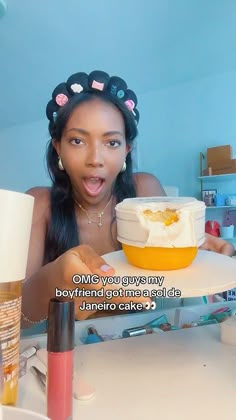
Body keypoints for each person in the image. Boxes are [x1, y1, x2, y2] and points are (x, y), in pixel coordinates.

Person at [21, 70, 234, 328]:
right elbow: (14, 317)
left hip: (151, 350)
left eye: (111, 143)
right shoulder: (39, 205)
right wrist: (52, 280)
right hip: (66, 356)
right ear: (58, 147)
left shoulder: (145, 190)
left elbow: (175, 288)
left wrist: (194, 257)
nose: (95, 159)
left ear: (126, 150)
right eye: (77, 141)